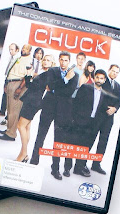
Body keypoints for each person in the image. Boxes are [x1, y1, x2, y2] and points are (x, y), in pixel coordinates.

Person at [42, 51, 78, 179]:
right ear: (59, 60)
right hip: (50, 107)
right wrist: (65, 79)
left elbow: (68, 92)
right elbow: (49, 85)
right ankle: (52, 168)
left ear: (69, 61)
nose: (63, 62)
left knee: (59, 140)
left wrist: (55, 88)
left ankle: (56, 168)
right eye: (61, 60)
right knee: (42, 135)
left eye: (66, 60)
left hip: (64, 111)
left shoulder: (75, 75)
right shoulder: (52, 71)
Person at [70, 69, 110, 177]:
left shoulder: (104, 94)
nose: (99, 80)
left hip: (94, 123)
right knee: (79, 144)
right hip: (82, 121)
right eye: (97, 77)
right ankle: (76, 167)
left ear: (104, 80)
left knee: (88, 146)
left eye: (101, 78)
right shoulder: (85, 87)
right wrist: (74, 119)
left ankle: (80, 166)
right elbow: (76, 103)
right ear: (94, 78)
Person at [15, 54, 53, 162]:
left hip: (33, 102)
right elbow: (29, 85)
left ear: (52, 63)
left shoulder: (48, 74)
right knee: (26, 127)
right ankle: (24, 153)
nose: (45, 61)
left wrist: (31, 76)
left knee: (20, 126)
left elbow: (36, 87)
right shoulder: (42, 72)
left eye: (48, 60)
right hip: (30, 100)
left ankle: (23, 153)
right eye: (44, 60)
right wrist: (29, 74)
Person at [89, 64, 120, 175]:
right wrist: (107, 108)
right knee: (91, 139)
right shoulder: (102, 81)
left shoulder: (117, 86)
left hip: (109, 119)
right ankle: (81, 164)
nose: (114, 73)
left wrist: (115, 109)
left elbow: (119, 100)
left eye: (117, 72)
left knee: (103, 141)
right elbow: (99, 97)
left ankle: (96, 164)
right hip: (99, 115)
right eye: (113, 71)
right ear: (109, 70)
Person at [0, 44, 32, 142]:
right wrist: (6, 84)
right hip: (11, 83)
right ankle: (9, 130)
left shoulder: (29, 61)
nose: (24, 50)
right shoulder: (20, 58)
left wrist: (20, 88)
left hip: (17, 84)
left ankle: (11, 134)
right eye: (23, 48)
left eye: (26, 49)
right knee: (9, 109)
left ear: (30, 51)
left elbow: (27, 77)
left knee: (14, 111)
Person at [0, 43, 19, 119]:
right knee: (5, 94)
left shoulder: (18, 59)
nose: (10, 51)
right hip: (7, 78)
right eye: (9, 49)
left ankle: (8, 116)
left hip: (13, 80)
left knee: (10, 97)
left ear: (17, 50)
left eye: (12, 49)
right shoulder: (10, 57)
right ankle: (2, 111)